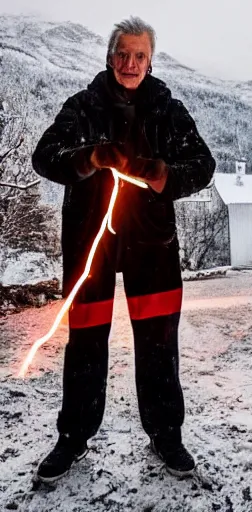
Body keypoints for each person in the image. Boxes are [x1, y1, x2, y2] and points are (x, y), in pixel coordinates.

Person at [32, 16, 215, 482]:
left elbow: (203, 164)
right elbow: (43, 156)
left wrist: (163, 176)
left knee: (158, 346)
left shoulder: (167, 111)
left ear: (150, 62)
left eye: (139, 56)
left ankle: (166, 436)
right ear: (109, 57)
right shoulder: (83, 107)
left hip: (151, 245)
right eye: (122, 54)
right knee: (86, 345)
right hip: (89, 243)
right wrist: (89, 157)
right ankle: (72, 440)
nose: (130, 63)